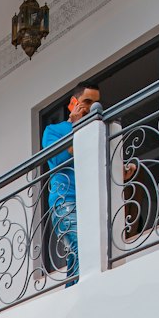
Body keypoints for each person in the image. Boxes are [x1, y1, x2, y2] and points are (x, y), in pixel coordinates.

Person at [41, 82, 102, 286]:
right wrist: (76, 127)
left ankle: (72, 295)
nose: (91, 107)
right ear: (73, 103)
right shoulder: (54, 130)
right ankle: (80, 296)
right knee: (81, 247)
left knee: (79, 254)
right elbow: (56, 160)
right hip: (65, 198)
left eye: (96, 103)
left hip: (92, 198)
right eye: (86, 102)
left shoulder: (97, 131)